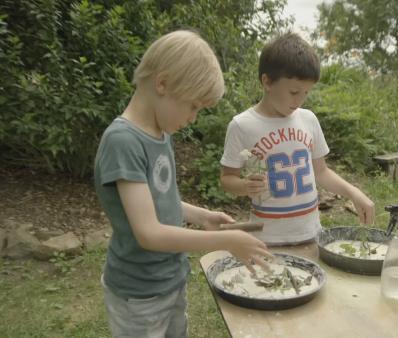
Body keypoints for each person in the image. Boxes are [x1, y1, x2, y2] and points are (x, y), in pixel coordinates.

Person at [94, 30, 272, 338]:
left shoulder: (160, 134)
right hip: (138, 294)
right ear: (162, 84)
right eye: (193, 106)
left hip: (170, 280)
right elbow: (148, 233)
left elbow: (160, 201)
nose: (193, 118)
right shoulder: (123, 141)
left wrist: (202, 216)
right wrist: (226, 242)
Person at [220, 32, 375, 246]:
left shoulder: (308, 120)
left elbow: (321, 171)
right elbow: (227, 179)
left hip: (311, 236)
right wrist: (245, 186)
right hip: (266, 240)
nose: (299, 100)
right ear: (267, 81)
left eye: (306, 93)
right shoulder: (241, 125)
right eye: (294, 92)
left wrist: (353, 193)